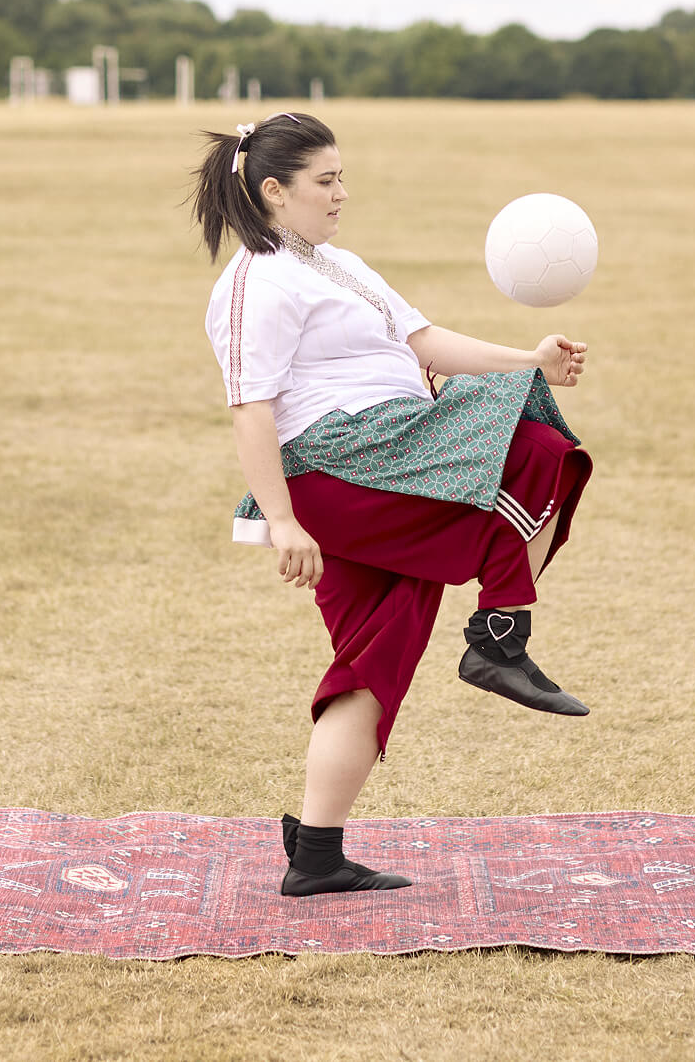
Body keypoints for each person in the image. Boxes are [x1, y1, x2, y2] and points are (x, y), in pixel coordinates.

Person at [194, 112, 592, 897]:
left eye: (342, 176)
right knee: (537, 450)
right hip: (344, 468)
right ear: (273, 191)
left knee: (374, 663)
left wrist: (531, 358)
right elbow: (250, 410)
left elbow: (424, 340)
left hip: (390, 457)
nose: (342, 192)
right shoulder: (254, 283)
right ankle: (500, 637)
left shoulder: (336, 264)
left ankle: (316, 857)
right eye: (325, 180)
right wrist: (283, 521)